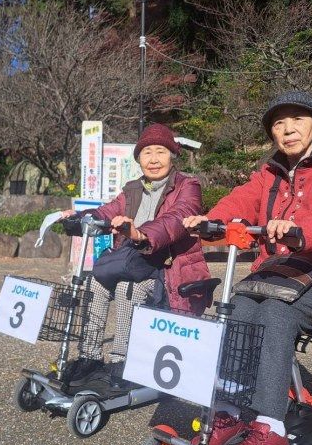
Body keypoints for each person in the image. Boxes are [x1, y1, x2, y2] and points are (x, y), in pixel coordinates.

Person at [182, 91, 312, 445]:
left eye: (297, 120)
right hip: (278, 279)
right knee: (237, 309)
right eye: (279, 124)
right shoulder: (267, 174)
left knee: (276, 316)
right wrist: (210, 222)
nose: (288, 129)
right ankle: (232, 410)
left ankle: (270, 426)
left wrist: (301, 229)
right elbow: (239, 201)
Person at [62, 123, 211, 376]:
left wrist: (142, 234)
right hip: (135, 262)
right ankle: (90, 355)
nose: (153, 159)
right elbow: (107, 211)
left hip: (168, 267)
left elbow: (179, 216)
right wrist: (78, 216)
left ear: (172, 155)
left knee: (126, 287)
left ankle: (123, 359)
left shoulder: (188, 185)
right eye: (147, 152)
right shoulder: (132, 188)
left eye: (160, 152)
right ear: (139, 158)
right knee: (96, 283)